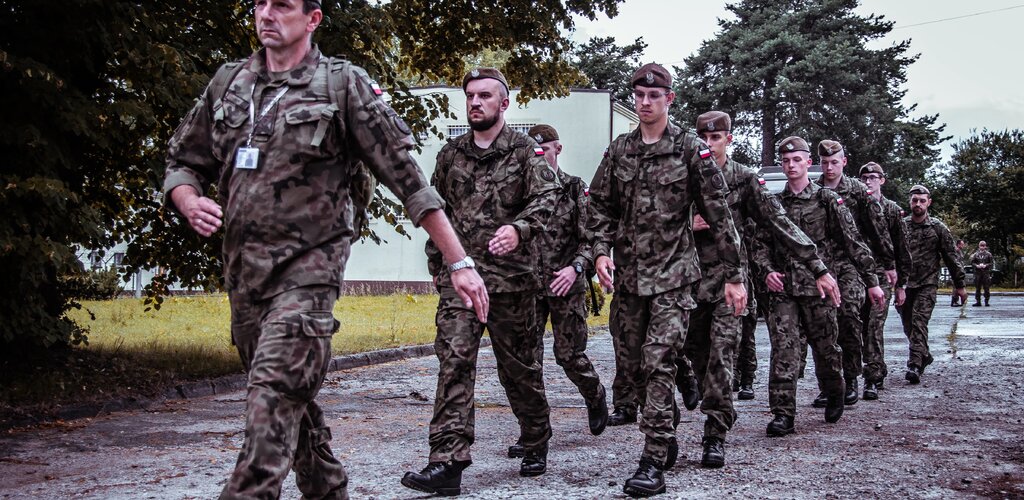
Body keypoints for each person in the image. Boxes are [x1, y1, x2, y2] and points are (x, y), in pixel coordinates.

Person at [163, 1, 488, 498]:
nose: (267, 14)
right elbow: (183, 162)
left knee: (272, 396)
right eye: (260, 4)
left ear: (312, 19)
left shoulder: (341, 84)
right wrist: (189, 200)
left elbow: (407, 179)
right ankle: (328, 487)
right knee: (285, 399)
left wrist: (458, 261)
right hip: (245, 277)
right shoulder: (229, 83)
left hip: (309, 275)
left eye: (282, 5)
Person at [588, 63, 747, 497]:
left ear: (669, 99)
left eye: (653, 96)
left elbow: (719, 215)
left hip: (674, 278)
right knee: (633, 367)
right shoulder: (619, 150)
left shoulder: (690, 149)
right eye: (639, 95)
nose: (644, 102)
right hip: (629, 280)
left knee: (658, 361)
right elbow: (599, 207)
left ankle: (653, 458)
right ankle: (666, 425)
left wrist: (734, 275)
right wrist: (600, 251)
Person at [401, 68, 559, 495]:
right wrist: (439, 266)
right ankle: (447, 461)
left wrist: (520, 229)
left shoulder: (526, 152)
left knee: (519, 370)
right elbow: (437, 213)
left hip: (512, 283)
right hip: (461, 282)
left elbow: (548, 198)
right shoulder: (450, 155)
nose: (475, 102)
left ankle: (535, 436)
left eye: (485, 96)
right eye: (470, 95)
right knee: (454, 362)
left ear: (503, 103)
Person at [678, 112, 838, 468]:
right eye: (703, 138)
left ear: (728, 139)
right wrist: (690, 222)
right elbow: (658, 222)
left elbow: (778, 222)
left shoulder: (744, 178)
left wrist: (818, 267)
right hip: (690, 281)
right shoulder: (684, 177)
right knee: (697, 353)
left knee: (723, 356)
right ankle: (715, 403)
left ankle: (714, 433)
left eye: (716, 138)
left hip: (730, 283)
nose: (709, 144)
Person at [751, 136, 882, 438]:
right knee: (784, 350)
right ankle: (783, 413)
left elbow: (853, 242)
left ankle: (835, 390)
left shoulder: (826, 200)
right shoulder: (775, 204)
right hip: (784, 289)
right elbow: (759, 245)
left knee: (826, 349)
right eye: (786, 161)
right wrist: (767, 271)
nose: (791, 166)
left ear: (808, 163)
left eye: (797, 160)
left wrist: (872, 281)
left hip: (820, 288)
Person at [501, 124, 606, 461]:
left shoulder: (573, 188)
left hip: (566, 283)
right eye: (532, 153)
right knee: (526, 363)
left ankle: (594, 394)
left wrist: (577, 267)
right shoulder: (519, 194)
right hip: (528, 286)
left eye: (543, 150)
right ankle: (533, 431)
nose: (538, 158)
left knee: (569, 355)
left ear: (557, 149)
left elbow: (591, 237)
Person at [813, 140, 894, 407]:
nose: (829, 168)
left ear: (844, 162)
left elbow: (876, 230)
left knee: (848, 317)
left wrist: (888, 264)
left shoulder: (858, 191)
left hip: (851, 265)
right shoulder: (814, 190)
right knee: (823, 325)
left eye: (834, 162)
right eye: (825, 163)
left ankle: (850, 378)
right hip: (822, 266)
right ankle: (828, 385)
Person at [899, 185, 966, 384]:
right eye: (914, 200)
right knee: (908, 325)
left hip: (927, 284)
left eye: (922, 200)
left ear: (929, 202)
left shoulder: (938, 228)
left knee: (919, 322)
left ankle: (914, 365)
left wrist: (960, 285)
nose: (918, 204)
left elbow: (951, 257)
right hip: (905, 285)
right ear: (910, 202)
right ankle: (924, 354)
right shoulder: (901, 226)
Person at [858, 162, 913, 400]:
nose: (868, 181)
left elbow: (902, 248)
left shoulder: (892, 210)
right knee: (857, 326)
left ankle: (872, 377)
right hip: (858, 274)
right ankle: (874, 367)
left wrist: (901, 285)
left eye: (873, 177)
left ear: (882, 180)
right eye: (864, 177)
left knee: (874, 325)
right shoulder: (854, 206)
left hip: (883, 275)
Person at [971, 241, 994, 307]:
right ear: (979, 246)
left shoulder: (989, 254)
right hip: (978, 273)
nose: (982, 247)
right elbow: (972, 263)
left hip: (985, 273)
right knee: (977, 288)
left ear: (985, 246)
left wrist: (986, 265)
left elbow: (991, 263)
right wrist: (976, 266)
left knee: (986, 288)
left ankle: (986, 301)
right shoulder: (975, 254)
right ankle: (978, 301)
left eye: (983, 246)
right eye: (981, 245)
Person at [951, 239, 967, 306]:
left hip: (960, 271)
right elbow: (955, 261)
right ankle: (954, 301)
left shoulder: (960, 251)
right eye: (962, 244)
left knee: (959, 286)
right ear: (958, 244)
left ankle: (956, 301)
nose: (963, 246)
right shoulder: (955, 251)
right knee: (956, 286)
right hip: (956, 271)